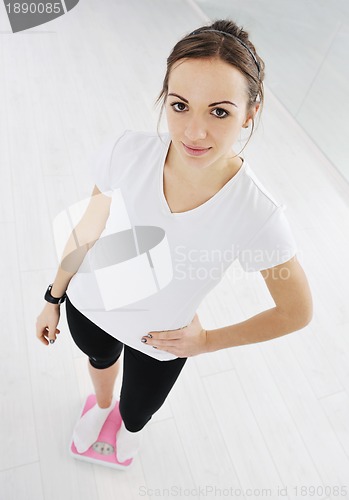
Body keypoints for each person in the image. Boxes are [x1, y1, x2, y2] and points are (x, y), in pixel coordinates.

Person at [35, 19, 313, 466]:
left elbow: (296, 311)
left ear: (250, 113)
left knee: (138, 410)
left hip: (160, 342)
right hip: (89, 303)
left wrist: (207, 341)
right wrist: (53, 295)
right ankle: (100, 407)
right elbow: (88, 228)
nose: (193, 132)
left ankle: (125, 424)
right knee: (99, 363)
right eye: (180, 105)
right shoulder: (126, 151)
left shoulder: (257, 213)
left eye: (219, 111)